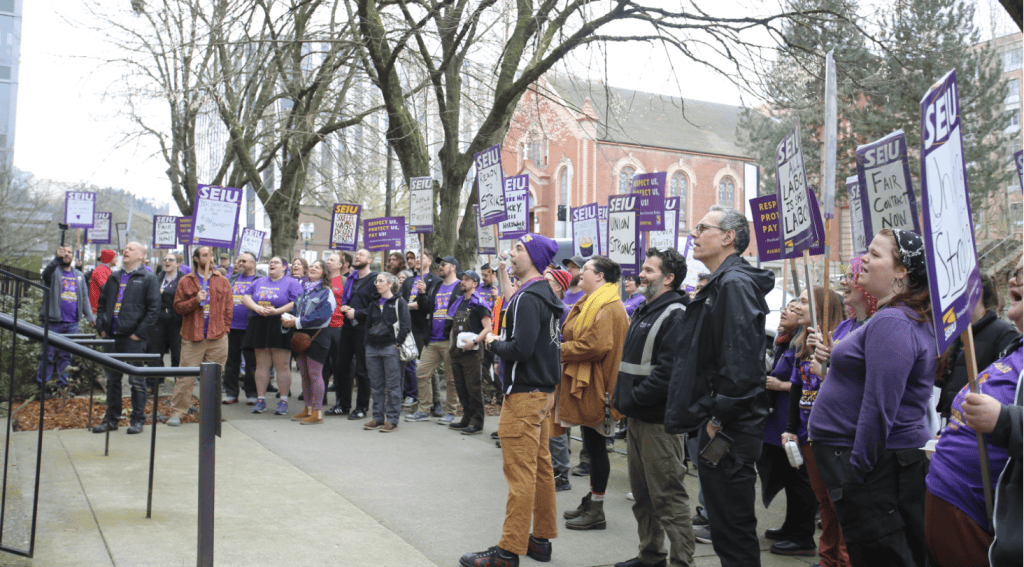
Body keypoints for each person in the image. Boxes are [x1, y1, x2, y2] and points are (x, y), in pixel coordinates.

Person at [809, 229, 937, 567]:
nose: (863, 258)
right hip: (874, 465)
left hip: (873, 468)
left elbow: (880, 405)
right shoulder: (894, 318)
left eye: (875, 254)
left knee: (882, 555)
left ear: (901, 272)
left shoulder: (893, 321)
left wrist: (857, 474)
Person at [664, 205, 774, 567]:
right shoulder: (721, 283)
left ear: (728, 237)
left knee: (733, 528)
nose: (693, 234)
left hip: (728, 430)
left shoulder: (734, 284)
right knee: (726, 527)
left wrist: (719, 419)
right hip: (718, 425)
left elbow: (741, 365)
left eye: (701, 228)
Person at [462, 234, 564, 567]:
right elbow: (518, 306)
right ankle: (541, 539)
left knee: (520, 475)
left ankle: (508, 550)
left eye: (519, 249)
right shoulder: (543, 293)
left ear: (533, 257)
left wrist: (491, 342)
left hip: (524, 395)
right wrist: (505, 273)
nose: (513, 252)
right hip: (543, 393)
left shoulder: (528, 298)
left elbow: (520, 348)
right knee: (541, 470)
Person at [925, 257, 1022, 566]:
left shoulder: (1001, 334)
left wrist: (1005, 420)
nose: (1015, 276)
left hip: (978, 513)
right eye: (1015, 269)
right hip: (950, 499)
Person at [611, 247, 694, 567]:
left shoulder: (675, 314)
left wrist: (630, 400)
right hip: (637, 417)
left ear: (669, 278)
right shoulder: (648, 309)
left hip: (659, 423)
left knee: (668, 497)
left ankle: (682, 562)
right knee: (643, 495)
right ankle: (651, 555)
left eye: (648, 270)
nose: (640, 275)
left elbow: (667, 373)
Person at [559, 255, 630, 530]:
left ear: (600, 276)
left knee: (597, 449)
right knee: (592, 445)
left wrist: (560, 351)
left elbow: (595, 345)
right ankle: (592, 499)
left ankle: (597, 508)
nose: (578, 272)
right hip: (592, 385)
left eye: (585, 269)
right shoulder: (592, 301)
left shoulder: (609, 305)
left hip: (602, 389)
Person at [777, 286, 844, 557]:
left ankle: (842, 557)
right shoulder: (802, 341)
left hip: (830, 435)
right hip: (806, 434)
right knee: (823, 502)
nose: (798, 307)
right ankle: (827, 556)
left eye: (804, 302)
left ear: (820, 308)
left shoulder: (837, 342)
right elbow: (796, 387)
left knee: (838, 503)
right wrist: (791, 429)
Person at [757, 299, 820, 558]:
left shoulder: (807, 343)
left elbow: (806, 382)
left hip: (793, 420)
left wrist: (779, 385)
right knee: (788, 477)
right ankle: (790, 527)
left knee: (800, 480)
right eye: (789, 306)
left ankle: (803, 537)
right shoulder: (786, 341)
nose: (787, 311)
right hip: (779, 421)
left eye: (798, 307)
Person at [93, 242, 160, 435]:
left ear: (141, 255)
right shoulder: (114, 277)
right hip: (111, 337)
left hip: (133, 338)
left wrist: (138, 333)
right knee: (112, 380)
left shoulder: (148, 278)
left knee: (137, 381)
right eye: (125, 249)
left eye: (131, 249)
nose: (126, 251)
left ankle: (137, 420)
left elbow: (154, 309)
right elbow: (102, 303)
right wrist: (101, 327)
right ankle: (111, 419)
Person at [935, 273, 1018, 420]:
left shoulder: (1004, 333)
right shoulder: (956, 332)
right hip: (951, 424)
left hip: (976, 428)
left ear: (977, 292)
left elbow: (1003, 388)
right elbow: (944, 382)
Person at [170, 246, 232, 426]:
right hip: (192, 336)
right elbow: (178, 307)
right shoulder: (185, 281)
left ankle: (210, 413)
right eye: (205, 255)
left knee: (214, 377)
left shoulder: (222, 281)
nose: (210, 259)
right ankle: (177, 412)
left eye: (211, 255)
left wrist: (225, 329)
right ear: (196, 259)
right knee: (185, 377)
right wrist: (196, 300)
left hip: (217, 336)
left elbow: (228, 308)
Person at [242, 255, 303, 415]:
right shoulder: (259, 281)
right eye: (270, 263)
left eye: (275, 263)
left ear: (284, 267)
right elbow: (245, 296)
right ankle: (260, 400)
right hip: (260, 323)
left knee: (281, 365)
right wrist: (256, 308)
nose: (272, 265)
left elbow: (297, 301)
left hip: (281, 323)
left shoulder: (292, 282)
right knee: (261, 365)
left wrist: (277, 310)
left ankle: (283, 400)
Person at [407, 255, 462, 423]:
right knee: (422, 373)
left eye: (443, 264)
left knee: (452, 379)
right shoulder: (436, 285)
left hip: (449, 339)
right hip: (432, 339)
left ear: (453, 267)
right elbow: (424, 308)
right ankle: (424, 410)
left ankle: (451, 411)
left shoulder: (460, 287)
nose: (440, 267)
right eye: (439, 264)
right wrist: (422, 294)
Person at [283, 260, 336, 426]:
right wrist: (287, 318)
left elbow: (322, 315)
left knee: (314, 374)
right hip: (301, 336)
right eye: (312, 266)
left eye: (318, 267)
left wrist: (297, 321)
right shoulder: (304, 290)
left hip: (318, 336)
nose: (313, 268)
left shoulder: (326, 292)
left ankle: (317, 412)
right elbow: (295, 309)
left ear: (324, 273)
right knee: (304, 376)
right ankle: (307, 408)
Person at [327, 248, 377, 419]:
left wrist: (357, 313)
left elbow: (376, 307)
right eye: (357, 254)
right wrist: (344, 307)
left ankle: (362, 407)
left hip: (363, 329)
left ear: (369, 260)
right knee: (341, 367)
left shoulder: (374, 280)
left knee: (362, 370)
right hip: (347, 327)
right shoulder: (351, 279)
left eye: (361, 255)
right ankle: (343, 404)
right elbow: (344, 299)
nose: (357, 256)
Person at [37, 245, 96, 391]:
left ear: (73, 256)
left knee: (66, 357)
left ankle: (63, 387)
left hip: (72, 323)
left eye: (70, 252)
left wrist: (90, 317)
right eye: (64, 253)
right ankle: (43, 386)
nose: (67, 255)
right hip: (53, 322)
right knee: (48, 356)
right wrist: (56, 258)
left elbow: (84, 298)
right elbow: (45, 275)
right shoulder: (54, 272)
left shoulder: (79, 275)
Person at [363, 272, 410, 432]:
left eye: (381, 281)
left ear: (390, 284)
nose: (377, 284)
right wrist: (367, 342)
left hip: (390, 347)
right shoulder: (373, 303)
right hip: (372, 348)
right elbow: (368, 324)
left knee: (392, 386)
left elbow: (405, 326)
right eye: (377, 281)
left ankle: (392, 420)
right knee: (376, 386)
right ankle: (377, 418)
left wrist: (397, 344)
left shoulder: (399, 302)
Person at [447, 270, 492, 435]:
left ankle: (477, 422)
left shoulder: (479, 304)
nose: (462, 282)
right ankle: (466, 417)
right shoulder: (458, 303)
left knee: (473, 387)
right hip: (457, 351)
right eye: (462, 279)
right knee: (461, 387)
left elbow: (488, 329)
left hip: (472, 352)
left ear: (475, 284)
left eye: (466, 279)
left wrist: (474, 342)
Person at [543, 267, 573, 491]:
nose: (544, 282)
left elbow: (569, 337)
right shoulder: (547, 304)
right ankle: (552, 467)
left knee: (556, 422)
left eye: (548, 280)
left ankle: (562, 473)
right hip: (547, 367)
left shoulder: (563, 309)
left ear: (559, 287)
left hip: (557, 368)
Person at [402, 250, 442, 415]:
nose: (417, 259)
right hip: (407, 326)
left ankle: (437, 401)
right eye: (416, 257)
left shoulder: (434, 281)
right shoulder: (408, 281)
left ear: (430, 261)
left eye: (422, 257)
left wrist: (417, 299)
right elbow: (401, 300)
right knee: (407, 363)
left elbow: (428, 305)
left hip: (424, 327)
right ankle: (412, 396)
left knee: (428, 366)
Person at [223, 252, 259, 405]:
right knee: (231, 361)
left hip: (250, 326)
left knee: (252, 362)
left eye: (244, 261)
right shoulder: (232, 279)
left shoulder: (260, 280)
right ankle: (231, 393)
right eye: (239, 261)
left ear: (253, 263)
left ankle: (251, 393)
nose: (240, 263)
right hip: (232, 327)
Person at [148, 252, 184, 373]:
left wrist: (164, 292)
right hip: (158, 319)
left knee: (177, 353)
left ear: (178, 264)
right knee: (155, 352)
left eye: (171, 260)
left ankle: (178, 383)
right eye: (165, 259)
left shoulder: (183, 279)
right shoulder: (156, 277)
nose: (167, 262)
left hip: (176, 320)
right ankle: (154, 382)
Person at [321, 253, 346, 408]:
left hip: (338, 327)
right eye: (327, 259)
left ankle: (340, 399)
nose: (328, 262)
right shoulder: (321, 281)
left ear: (340, 265)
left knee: (338, 364)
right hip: (322, 327)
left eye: (332, 260)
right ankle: (320, 397)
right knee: (322, 364)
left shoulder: (345, 281)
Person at [89, 249, 117, 314]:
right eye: (115, 257)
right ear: (110, 258)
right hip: (98, 310)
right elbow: (106, 288)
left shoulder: (106, 269)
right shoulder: (101, 270)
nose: (117, 259)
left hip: (102, 308)